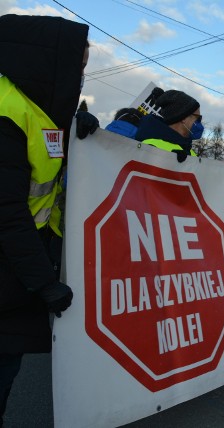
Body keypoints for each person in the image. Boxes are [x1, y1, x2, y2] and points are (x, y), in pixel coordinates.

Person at [0, 14, 94, 425]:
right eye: (80, 64)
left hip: (15, 267)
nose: (83, 74)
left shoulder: (32, 108)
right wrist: (44, 281)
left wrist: (80, 134)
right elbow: (7, 211)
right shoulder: (6, 111)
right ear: (50, 61)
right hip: (15, 264)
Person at [134, 89, 202, 162]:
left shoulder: (192, 154)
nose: (200, 123)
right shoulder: (148, 146)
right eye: (198, 118)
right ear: (183, 118)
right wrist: (170, 161)